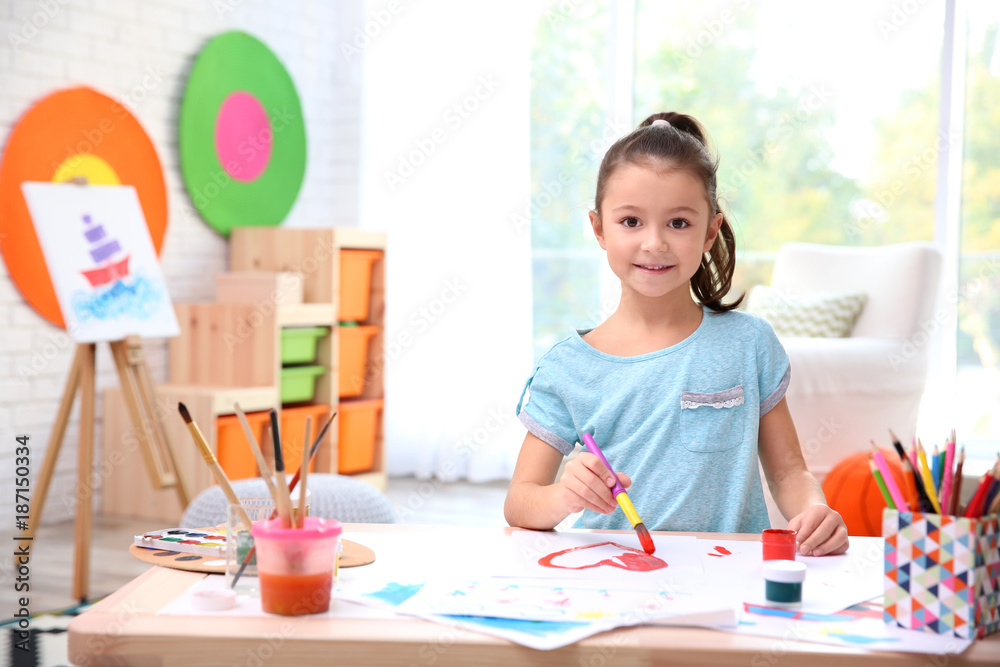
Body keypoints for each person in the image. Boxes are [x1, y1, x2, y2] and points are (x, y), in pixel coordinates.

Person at [504, 111, 849, 557]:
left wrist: (815, 511)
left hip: (729, 579)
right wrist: (562, 497)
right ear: (598, 229)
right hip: (616, 582)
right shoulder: (568, 367)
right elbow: (520, 502)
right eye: (631, 221)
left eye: (678, 223)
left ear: (710, 231)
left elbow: (788, 475)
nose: (654, 243)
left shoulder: (750, 344)